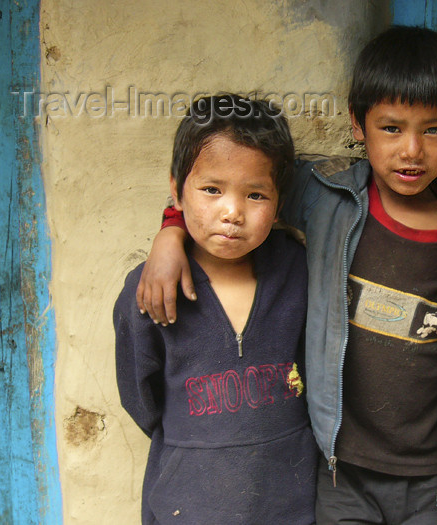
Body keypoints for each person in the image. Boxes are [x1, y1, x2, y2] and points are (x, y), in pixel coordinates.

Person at [137, 26, 437, 524]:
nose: (411, 150)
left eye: (432, 129)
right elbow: (234, 182)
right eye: (391, 128)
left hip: (433, 475)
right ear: (357, 124)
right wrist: (170, 231)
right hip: (337, 469)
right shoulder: (327, 199)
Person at [114, 94, 317, 524]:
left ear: (280, 202)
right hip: (189, 502)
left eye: (256, 194)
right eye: (211, 189)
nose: (232, 212)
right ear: (176, 190)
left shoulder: (297, 272)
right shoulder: (149, 289)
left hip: (290, 499)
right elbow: (140, 396)